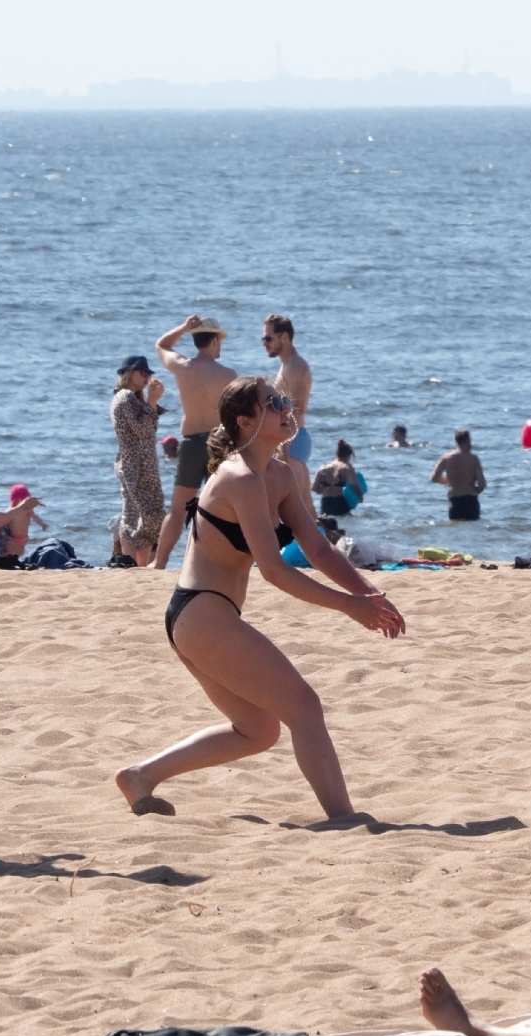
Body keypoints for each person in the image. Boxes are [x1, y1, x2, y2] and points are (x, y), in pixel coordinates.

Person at [112, 377, 405, 819]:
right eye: (274, 404)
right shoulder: (241, 478)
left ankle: (140, 776)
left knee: (258, 730)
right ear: (245, 421)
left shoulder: (279, 474)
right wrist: (349, 606)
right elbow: (273, 569)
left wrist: (369, 594)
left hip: (199, 618)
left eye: (284, 400)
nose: (286, 409)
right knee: (304, 707)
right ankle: (344, 819)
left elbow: (319, 549)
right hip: (202, 615)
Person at [151, 315, 238, 568]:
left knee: (178, 510)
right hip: (218, 444)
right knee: (218, 509)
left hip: (190, 444)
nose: (221, 346)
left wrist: (184, 327)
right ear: (214, 340)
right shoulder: (228, 375)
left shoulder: (182, 367)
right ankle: (214, 563)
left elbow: (161, 345)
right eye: (220, 341)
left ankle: (159, 563)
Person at [111, 355, 167, 567]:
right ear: (128, 374)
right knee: (137, 515)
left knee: (148, 516)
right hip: (135, 466)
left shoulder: (134, 399)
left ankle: (140, 565)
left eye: (148, 374)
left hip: (143, 465)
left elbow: (149, 430)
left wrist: (151, 402)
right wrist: (152, 401)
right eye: (141, 373)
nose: (146, 377)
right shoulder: (125, 397)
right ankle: (130, 562)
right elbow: (143, 430)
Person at [262, 314, 315, 518]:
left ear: (284, 337)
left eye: (268, 338)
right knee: (303, 506)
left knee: (295, 508)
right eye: (263, 339)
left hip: (292, 441)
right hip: (290, 441)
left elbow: (298, 410)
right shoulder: (286, 365)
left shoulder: (296, 366)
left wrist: (284, 447)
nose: (265, 343)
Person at [430, 429, 487, 521]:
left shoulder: (446, 458)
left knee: (455, 527)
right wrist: (475, 490)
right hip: (471, 501)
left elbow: (434, 478)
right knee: (472, 527)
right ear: (468, 441)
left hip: (455, 501)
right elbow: (482, 484)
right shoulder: (473, 459)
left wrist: (450, 482)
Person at [312, 440, 363, 518]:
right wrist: (360, 496)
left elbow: (314, 488)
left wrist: (325, 490)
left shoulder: (323, 469)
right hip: (340, 503)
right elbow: (355, 485)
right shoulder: (346, 468)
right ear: (348, 455)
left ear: (336, 453)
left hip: (325, 503)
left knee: (328, 522)